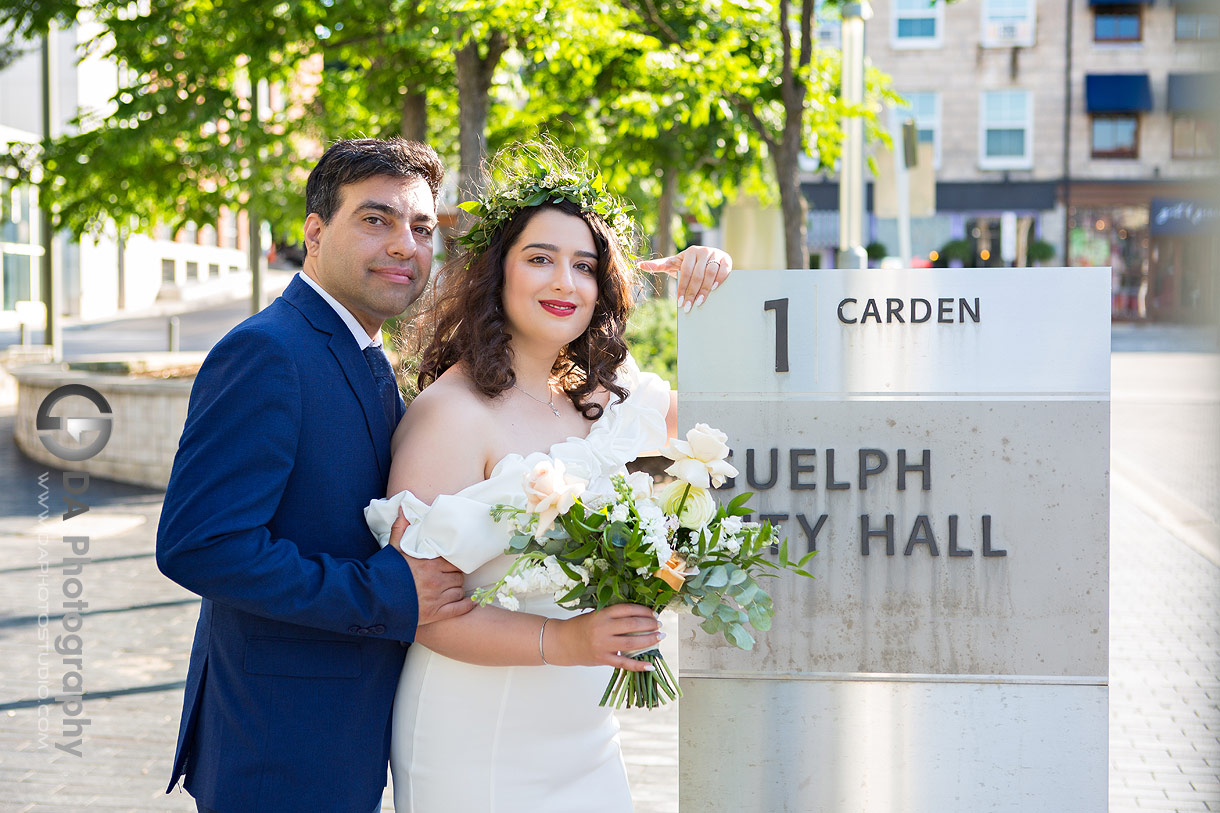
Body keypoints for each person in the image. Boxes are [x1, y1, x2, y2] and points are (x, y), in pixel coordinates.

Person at [156, 137, 727, 813]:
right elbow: (200, 544)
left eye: (421, 228)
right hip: (285, 726)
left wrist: (717, 294)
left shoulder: (364, 353)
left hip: (444, 721)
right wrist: (387, 589)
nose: (404, 244)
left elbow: (739, 435)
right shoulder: (270, 351)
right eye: (376, 219)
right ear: (314, 231)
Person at [362, 142, 732, 812]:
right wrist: (567, 640)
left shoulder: (612, 399)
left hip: (585, 732)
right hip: (476, 737)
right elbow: (417, 611)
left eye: (584, 265)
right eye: (540, 258)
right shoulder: (449, 414)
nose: (565, 281)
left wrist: (716, 292)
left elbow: (736, 433)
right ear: (496, 274)